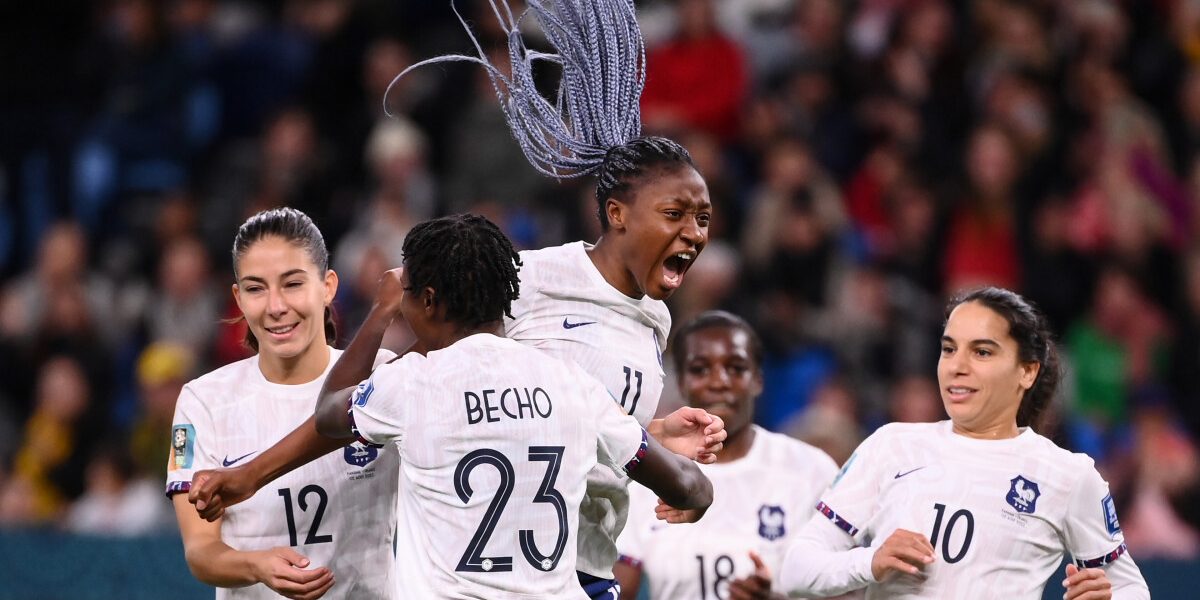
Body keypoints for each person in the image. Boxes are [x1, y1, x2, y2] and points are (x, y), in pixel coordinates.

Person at [186, 214, 720, 599]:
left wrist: (378, 313)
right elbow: (689, 485)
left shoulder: (412, 385)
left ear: (429, 300)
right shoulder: (572, 385)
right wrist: (687, 491)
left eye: (410, 293)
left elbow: (330, 411)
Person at [385, 2, 716, 596]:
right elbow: (428, 369)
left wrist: (656, 434)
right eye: (675, 214)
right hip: (489, 573)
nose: (694, 232)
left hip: (589, 569)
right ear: (616, 214)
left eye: (703, 219)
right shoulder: (529, 277)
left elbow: (591, 428)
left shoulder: (655, 320)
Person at [778, 287, 1151, 599]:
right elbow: (796, 568)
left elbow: (1130, 589)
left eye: (982, 352)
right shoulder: (892, 445)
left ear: (1027, 370)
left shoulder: (1068, 474)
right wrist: (870, 561)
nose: (957, 365)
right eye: (949, 348)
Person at [166, 207, 399, 600]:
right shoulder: (202, 401)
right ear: (238, 298)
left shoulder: (385, 376)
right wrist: (255, 564)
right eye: (256, 289)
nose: (275, 306)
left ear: (327, 287)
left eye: (292, 284)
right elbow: (200, 551)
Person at [615, 311, 839, 600]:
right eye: (699, 369)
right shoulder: (649, 472)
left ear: (758, 379)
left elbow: (848, 589)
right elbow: (620, 589)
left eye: (735, 368)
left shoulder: (811, 470)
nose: (719, 381)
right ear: (680, 382)